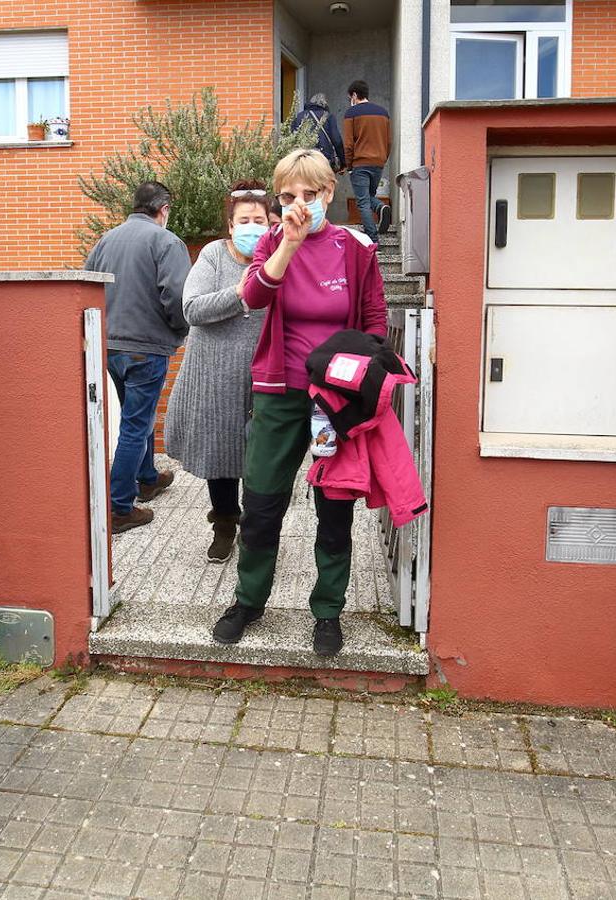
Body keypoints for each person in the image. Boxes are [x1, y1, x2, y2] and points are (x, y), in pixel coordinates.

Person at [210, 149, 387, 658]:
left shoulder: (356, 248)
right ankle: (248, 602)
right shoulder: (271, 239)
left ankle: (328, 610)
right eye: (289, 196)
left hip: (334, 398)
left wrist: (358, 373)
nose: (301, 204)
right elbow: (255, 296)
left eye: (311, 195)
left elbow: (374, 318)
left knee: (334, 508)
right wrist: (287, 241)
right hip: (278, 392)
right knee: (262, 503)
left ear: (330, 193)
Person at [164, 182, 279, 563]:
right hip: (213, 375)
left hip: (262, 374)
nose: (252, 226)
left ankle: (256, 529)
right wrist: (241, 291)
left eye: (258, 220)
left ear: (270, 223)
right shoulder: (213, 255)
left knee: (260, 457)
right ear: (230, 226)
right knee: (221, 457)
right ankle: (225, 524)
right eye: (243, 220)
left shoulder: (279, 256)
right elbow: (192, 309)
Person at [84, 181, 192, 533]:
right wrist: (179, 329)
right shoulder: (166, 241)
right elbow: (177, 295)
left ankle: (147, 478)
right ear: (163, 210)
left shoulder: (106, 240)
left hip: (109, 345)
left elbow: (86, 286)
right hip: (146, 347)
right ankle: (118, 508)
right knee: (136, 424)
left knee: (135, 414)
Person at [342, 80, 392, 241]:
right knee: (369, 196)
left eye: (350, 97)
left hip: (360, 163)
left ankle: (373, 238)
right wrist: (383, 158)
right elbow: (389, 141)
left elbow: (348, 144)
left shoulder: (351, 114)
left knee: (362, 202)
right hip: (378, 162)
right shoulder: (383, 113)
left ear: (355, 95)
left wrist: (349, 165)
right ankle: (381, 207)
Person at [289, 93, 345, 172]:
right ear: (325, 104)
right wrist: (343, 162)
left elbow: (292, 138)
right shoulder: (328, 116)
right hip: (324, 159)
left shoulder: (299, 116)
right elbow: (337, 140)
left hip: (304, 159)